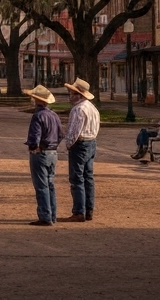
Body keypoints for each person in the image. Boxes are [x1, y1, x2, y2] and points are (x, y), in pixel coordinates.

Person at [60, 78, 100, 223]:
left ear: (79, 95)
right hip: (91, 142)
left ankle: (79, 211)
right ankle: (89, 209)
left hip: (80, 144)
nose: (70, 96)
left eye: (72, 93)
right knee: (88, 177)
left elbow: (73, 131)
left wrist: (69, 144)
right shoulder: (92, 108)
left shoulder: (78, 109)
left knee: (77, 178)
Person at [24, 85, 62, 226]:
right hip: (53, 152)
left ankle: (45, 215)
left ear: (35, 100)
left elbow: (35, 137)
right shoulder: (54, 115)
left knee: (41, 186)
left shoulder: (38, 116)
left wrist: (34, 147)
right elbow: (60, 135)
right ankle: (52, 214)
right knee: (50, 184)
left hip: (41, 153)